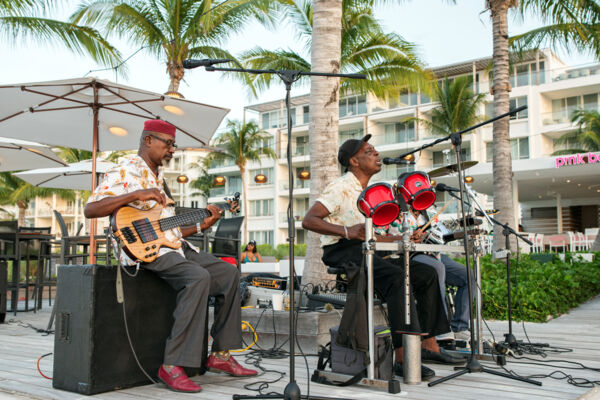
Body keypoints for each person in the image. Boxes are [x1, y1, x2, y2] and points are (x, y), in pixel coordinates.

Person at [84, 119, 257, 393]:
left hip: (173, 247)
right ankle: (172, 364)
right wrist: (137, 193)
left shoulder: (159, 179)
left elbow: (166, 229)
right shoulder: (126, 169)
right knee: (197, 277)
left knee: (229, 274)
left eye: (173, 145)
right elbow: (91, 209)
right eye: (168, 144)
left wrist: (202, 223)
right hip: (145, 252)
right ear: (148, 140)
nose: (172, 150)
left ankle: (220, 354)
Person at [302, 135, 463, 381]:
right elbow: (309, 220)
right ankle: (402, 357)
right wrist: (346, 231)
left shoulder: (370, 192)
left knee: (426, 274)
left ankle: (429, 346)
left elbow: (370, 237)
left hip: (365, 246)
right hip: (342, 249)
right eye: (370, 151)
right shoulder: (341, 186)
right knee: (399, 279)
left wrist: (402, 240)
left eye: (376, 150)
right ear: (354, 161)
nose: (377, 154)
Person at [375, 203, 474, 343]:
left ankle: (460, 327)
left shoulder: (430, 211)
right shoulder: (395, 209)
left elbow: (440, 235)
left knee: (467, 275)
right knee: (437, 268)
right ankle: (440, 328)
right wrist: (402, 238)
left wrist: (459, 233)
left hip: (434, 253)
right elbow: (376, 236)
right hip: (408, 256)